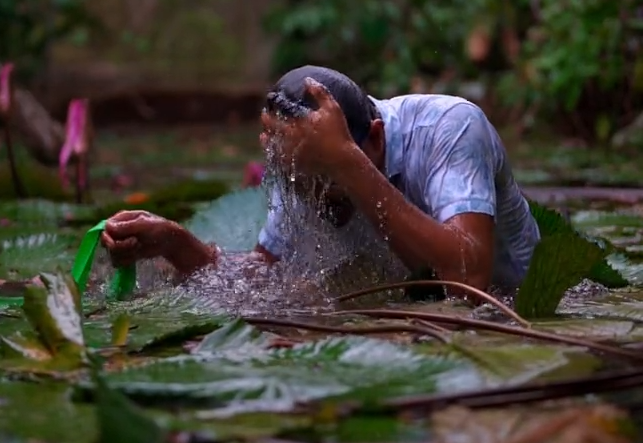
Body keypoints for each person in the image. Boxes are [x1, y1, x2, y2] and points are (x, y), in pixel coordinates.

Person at [102, 65, 540, 292]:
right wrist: (178, 245)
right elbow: (263, 275)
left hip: (525, 314)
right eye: (301, 187)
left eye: (328, 185)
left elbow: (468, 277)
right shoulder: (302, 160)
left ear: (374, 138)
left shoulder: (452, 126)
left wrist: (347, 165)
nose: (317, 205)